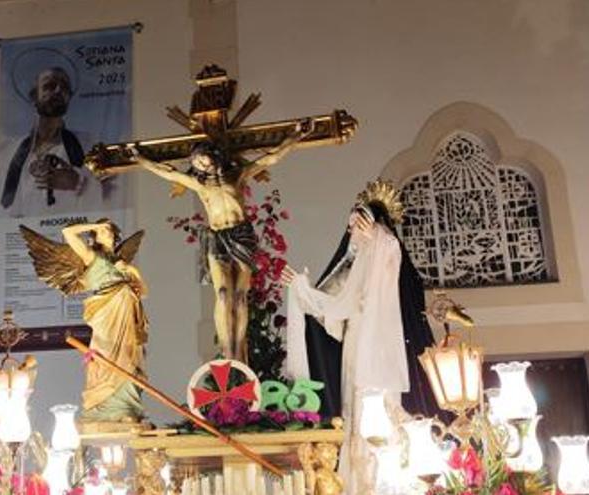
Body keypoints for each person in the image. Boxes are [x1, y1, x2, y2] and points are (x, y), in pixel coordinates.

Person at [280, 181, 440, 494]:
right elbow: (330, 310)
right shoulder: (348, 270)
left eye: (360, 223)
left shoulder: (387, 251)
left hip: (382, 344)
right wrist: (301, 289)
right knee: (355, 412)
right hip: (355, 346)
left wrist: (376, 236)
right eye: (351, 225)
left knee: (382, 410)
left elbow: (391, 258)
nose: (353, 230)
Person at [127, 122, 311, 363]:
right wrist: (140, 159)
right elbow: (168, 172)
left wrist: (296, 136)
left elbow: (270, 158)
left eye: (202, 159)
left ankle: (239, 349)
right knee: (223, 294)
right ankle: (227, 350)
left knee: (240, 296)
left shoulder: (238, 174)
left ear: (212, 155)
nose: (200, 164)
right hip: (216, 237)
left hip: (241, 235)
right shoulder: (200, 184)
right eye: (196, 162)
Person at [20, 220, 147, 423]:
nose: (106, 232)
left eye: (109, 230)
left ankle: (126, 407)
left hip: (127, 312)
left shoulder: (120, 261)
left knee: (128, 355)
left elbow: (143, 291)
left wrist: (131, 270)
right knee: (107, 354)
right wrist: (93, 226)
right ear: (95, 236)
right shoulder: (91, 256)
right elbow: (67, 232)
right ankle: (104, 406)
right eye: (102, 231)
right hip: (107, 312)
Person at [0, 67, 107, 217]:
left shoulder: (88, 145)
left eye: (64, 87)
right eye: (49, 86)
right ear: (34, 96)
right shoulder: (9, 151)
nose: (58, 90)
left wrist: (78, 182)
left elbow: (110, 199)